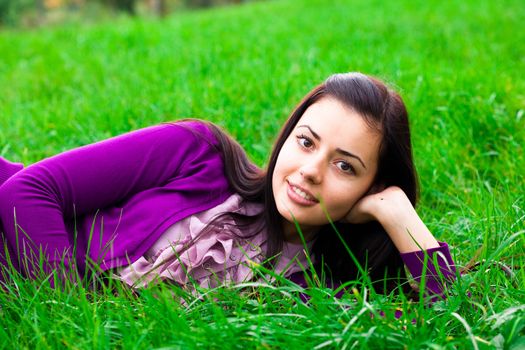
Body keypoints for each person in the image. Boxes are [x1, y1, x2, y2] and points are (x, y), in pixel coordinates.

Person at [0, 72, 456, 299]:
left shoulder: (324, 290)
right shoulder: (197, 151)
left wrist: (399, 216)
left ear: (372, 188)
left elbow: (450, 322)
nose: (312, 169)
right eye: (306, 141)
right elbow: (26, 192)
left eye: (345, 167)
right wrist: (74, 316)